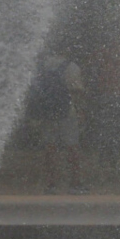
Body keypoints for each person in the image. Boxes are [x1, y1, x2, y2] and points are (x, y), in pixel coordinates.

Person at [24, 52, 86, 193]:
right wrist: (81, 110)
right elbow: (77, 90)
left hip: (47, 112)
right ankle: (75, 184)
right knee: (72, 146)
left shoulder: (42, 66)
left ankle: (51, 184)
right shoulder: (71, 66)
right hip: (67, 111)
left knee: (50, 147)